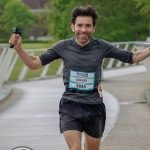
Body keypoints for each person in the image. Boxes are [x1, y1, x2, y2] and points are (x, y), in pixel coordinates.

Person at [9, 5, 150, 150]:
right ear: (73, 27)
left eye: (87, 26)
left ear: (93, 28)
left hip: (94, 107)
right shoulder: (62, 46)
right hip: (70, 105)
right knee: (75, 148)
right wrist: (19, 49)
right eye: (80, 25)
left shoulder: (102, 46)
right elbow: (34, 63)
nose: (83, 29)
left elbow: (132, 57)